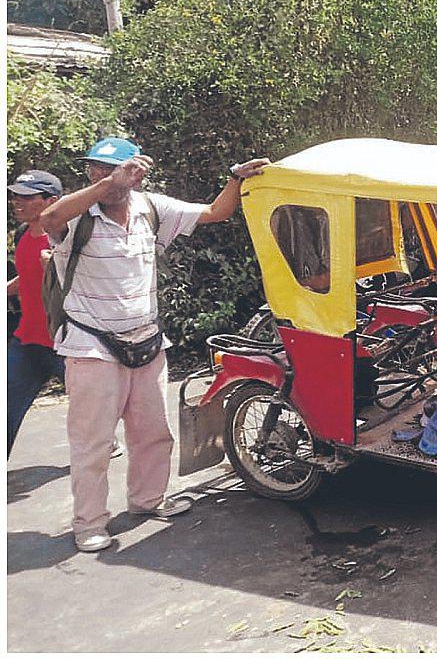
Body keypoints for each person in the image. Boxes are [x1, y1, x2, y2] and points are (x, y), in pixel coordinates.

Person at [39, 137, 269, 553]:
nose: (102, 176)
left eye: (112, 169)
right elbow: (47, 217)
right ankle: (89, 523)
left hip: (146, 340)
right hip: (92, 345)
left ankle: (147, 500)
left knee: (153, 433)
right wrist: (105, 185)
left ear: (137, 173)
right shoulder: (78, 217)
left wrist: (236, 178)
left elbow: (216, 212)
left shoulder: (150, 208)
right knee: (93, 443)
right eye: (96, 169)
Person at [7, 170, 68, 455]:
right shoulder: (22, 234)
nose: (16, 201)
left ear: (50, 201)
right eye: (15, 196)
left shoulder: (65, 239)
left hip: (66, 345)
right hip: (27, 341)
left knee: (95, 413)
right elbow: (27, 276)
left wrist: (55, 269)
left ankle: (104, 442)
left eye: (26, 197)